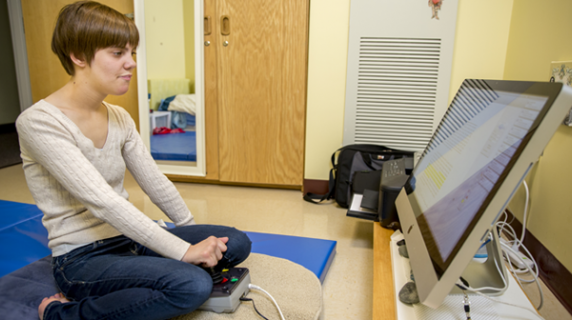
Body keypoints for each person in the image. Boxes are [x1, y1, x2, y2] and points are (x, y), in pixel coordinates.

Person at [15, 1, 251, 319]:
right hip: (82, 257)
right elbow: (103, 202)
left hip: (129, 239)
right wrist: (184, 252)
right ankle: (61, 314)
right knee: (191, 285)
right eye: (117, 53)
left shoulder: (120, 116)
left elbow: (154, 181)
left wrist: (195, 238)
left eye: (132, 53)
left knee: (234, 242)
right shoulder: (38, 122)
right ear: (78, 56)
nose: (131, 63)